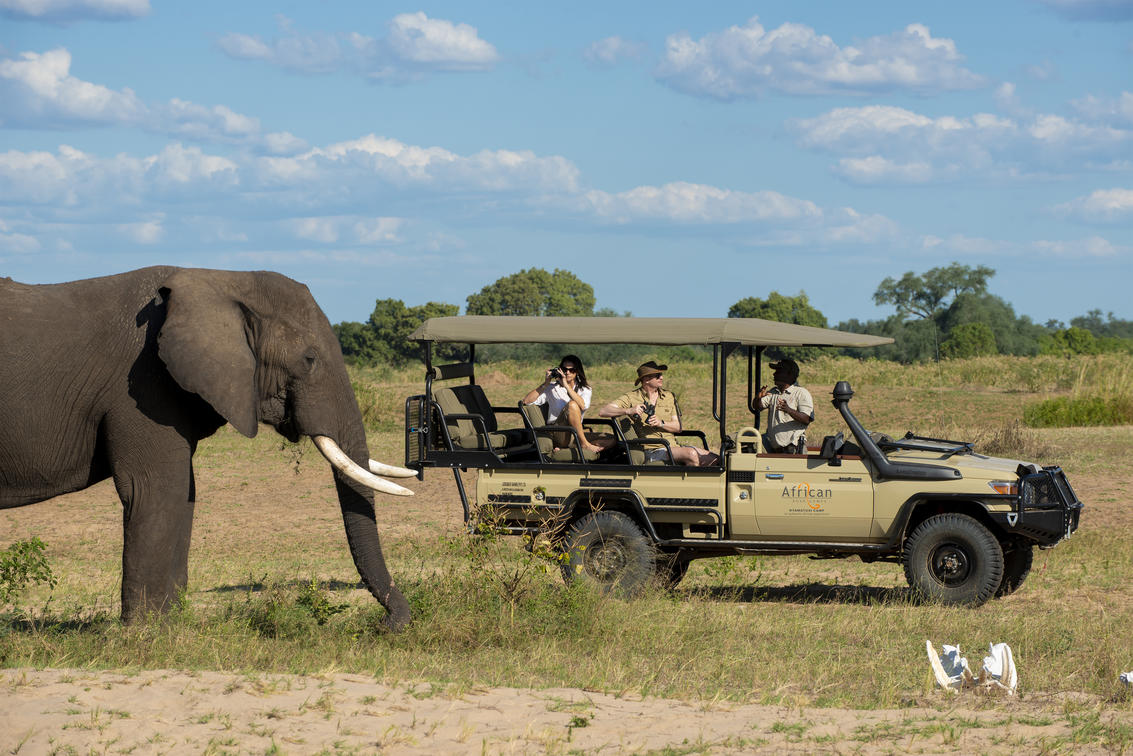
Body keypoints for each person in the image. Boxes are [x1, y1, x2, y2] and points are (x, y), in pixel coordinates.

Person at [599, 361, 719, 466]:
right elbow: (603, 411)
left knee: (716, 460)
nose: (661, 377)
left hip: (672, 447)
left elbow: (678, 427)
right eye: (657, 376)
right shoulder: (631, 398)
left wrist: (661, 423)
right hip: (652, 450)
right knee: (691, 454)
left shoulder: (668, 396)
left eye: (661, 375)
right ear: (646, 379)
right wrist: (628, 410)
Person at [522, 355, 603, 454]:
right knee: (572, 405)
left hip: (576, 433)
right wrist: (546, 383)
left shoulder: (585, 389)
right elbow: (526, 401)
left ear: (577, 371)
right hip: (558, 432)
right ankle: (584, 444)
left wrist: (566, 386)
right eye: (564, 369)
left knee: (611, 440)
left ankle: (577, 447)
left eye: (571, 370)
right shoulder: (552, 388)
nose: (567, 372)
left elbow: (583, 405)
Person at [756, 358, 813, 454]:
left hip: (793, 450)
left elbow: (807, 419)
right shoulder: (774, 392)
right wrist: (758, 398)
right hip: (775, 450)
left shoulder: (801, 392)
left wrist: (789, 410)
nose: (774, 374)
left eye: (778, 371)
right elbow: (758, 407)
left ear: (789, 375)